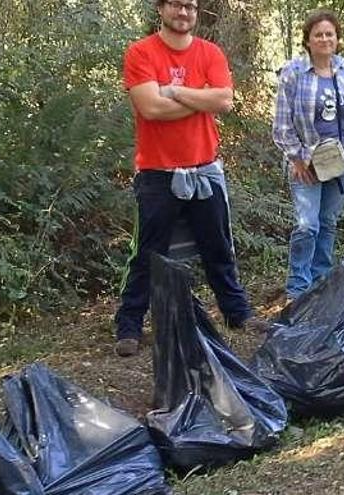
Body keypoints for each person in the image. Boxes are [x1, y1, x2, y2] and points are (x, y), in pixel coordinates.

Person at [115, 0, 268, 357]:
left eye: (190, 7)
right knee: (147, 253)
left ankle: (237, 313)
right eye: (176, 5)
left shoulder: (210, 53)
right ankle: (130, 325)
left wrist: (174, 91)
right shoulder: (141, 52)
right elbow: (150, 108)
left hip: (205, 169)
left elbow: (225, 101)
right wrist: (202, 98)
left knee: (218, 247)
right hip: (157, 173)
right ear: (161, 9)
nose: (183, 13)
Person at [272, 10, 344, 300]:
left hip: (340, 162)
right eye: (318, 34)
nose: (324, 39)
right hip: (306, 163)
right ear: (308, 40)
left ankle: (321, 281)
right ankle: (298, 288)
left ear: (337, 38)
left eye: (329, 34)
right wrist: (297, 158)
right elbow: (282, 124)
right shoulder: (293, 72)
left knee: (329, 222)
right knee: (307, 224)